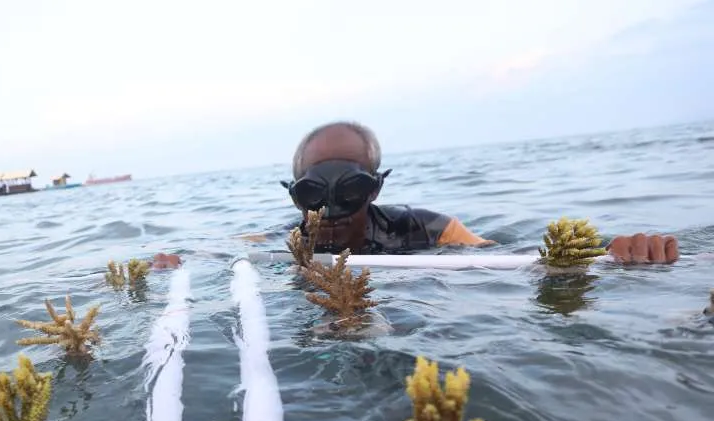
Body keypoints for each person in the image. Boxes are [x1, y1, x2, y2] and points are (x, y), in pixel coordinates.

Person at [280, 121, 678, 264]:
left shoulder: (432, 231)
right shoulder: (279, 246)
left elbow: (518, 260)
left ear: (375, 188)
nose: (331, 210)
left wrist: (605, 253)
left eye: (351, 189)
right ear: (296, 196)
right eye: (315, 193)